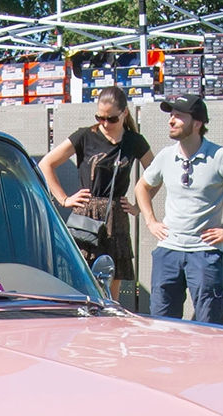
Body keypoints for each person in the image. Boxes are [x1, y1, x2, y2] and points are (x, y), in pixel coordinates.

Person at [135, 94, 223, 326]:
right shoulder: (166, 156)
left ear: (197, 123)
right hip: (168, 252)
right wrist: (150, 221)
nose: (171, 120)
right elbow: (142, 187)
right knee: (162, 326)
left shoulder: (220, 156)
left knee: (209, 327)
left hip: (204, 254)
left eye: (178, 116)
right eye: (171, 115)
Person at [39, 84, 153, 300]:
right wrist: (64, 199)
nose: (105, 124)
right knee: (82, 280)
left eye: (111, 119)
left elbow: (156, 174)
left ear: (124, 113)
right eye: (100, 118)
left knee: (111, 288)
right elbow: (47, 164)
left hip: (116, 218)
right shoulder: (85, 136)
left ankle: (109, 329)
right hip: (86, 215)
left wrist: (140, 206)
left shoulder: (133, 141)